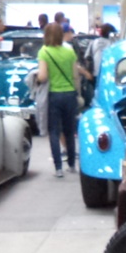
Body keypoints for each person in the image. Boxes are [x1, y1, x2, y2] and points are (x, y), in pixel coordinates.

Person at [36, 22, 92, 178]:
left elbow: (43, 76)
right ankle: (72, 165)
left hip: (54, 95)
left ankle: (58, 168)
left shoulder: (44, 52)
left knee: (54, 131)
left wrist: (37, 80)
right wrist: (77, 93)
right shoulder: (69, 51)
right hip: (70, 94)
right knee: (69, 131)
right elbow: (75, 75)